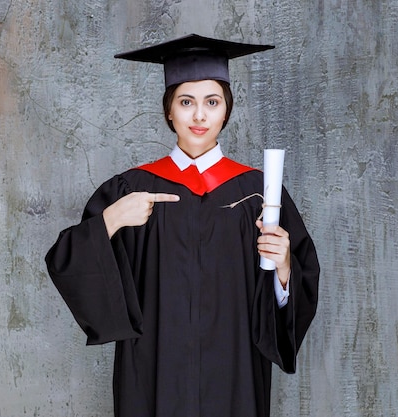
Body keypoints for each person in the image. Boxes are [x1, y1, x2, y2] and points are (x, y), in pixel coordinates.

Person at [45, 34, 320, 417]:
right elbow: (67, 262)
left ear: (226, 111)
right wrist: (111, 220)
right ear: (169, 111)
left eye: (212, 102)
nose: (199, 116)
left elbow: (294, 295)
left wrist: (285, 269)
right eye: (186, 102)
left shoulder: (258, 192)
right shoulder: (131, 188)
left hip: (234, 372)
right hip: (155, 370)